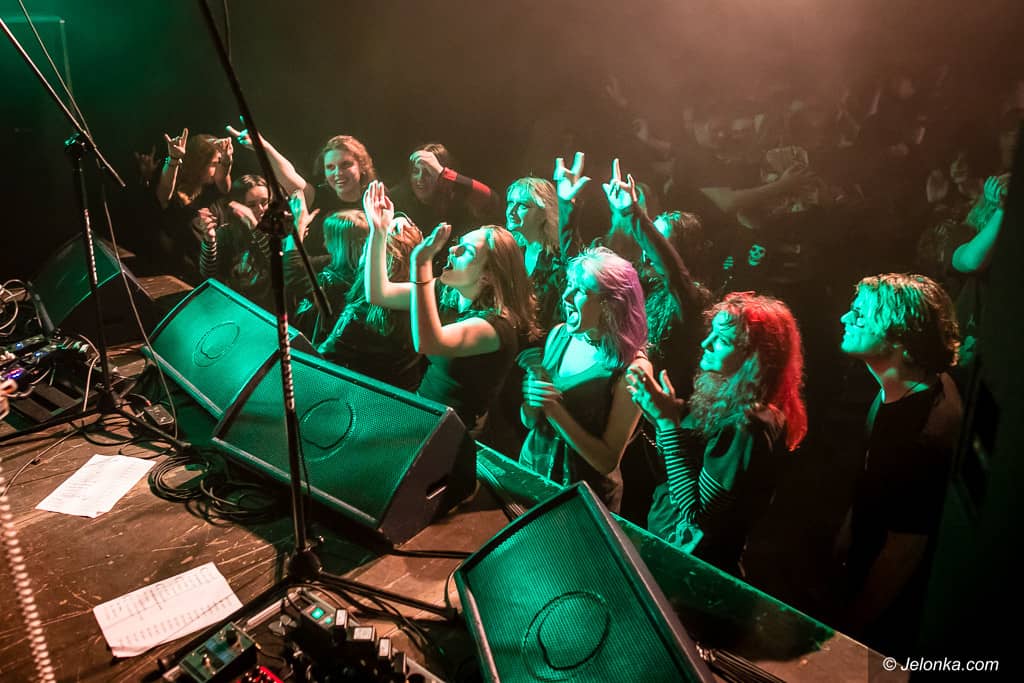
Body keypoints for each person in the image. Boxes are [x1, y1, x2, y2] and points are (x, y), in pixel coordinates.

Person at [627, 291, 808, 576]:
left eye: (722, 340)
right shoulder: (722, 396)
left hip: (691, 569)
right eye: (711, 332)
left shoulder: (746, 424)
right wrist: (661, 417)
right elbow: (680, 470)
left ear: (754, 358)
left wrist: (666, 423)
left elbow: (697, 514)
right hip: (670, 550)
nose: (706, 343)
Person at [833, 273, 962, 659]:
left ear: (901, 341)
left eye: (860, 315)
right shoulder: (906, 385)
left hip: (887, 614)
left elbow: (903, 551)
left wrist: (849, 632)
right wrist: (851, 524)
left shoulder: (921, 435)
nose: (844, 318)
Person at [363, 181, 538, 433]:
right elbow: (379, 293)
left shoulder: (495, 325)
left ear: (487, 275)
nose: (453, 249)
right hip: (424, 412)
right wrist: (378, 230)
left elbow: (429, 343)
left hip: (451, 434)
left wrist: (421, 264)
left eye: (466, 251)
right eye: (458, 243)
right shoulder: (446, 292)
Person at [518, 247, 653, 513]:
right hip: (532, 476)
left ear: (611, 304)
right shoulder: (560, 335)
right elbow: (531, 422)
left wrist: (554, 409)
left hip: (581, 501)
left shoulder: (632, 369)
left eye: (580, 291)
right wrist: (533, 398)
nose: (566, 296)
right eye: (569, 285)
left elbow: (606, 461)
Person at [226, 126, 377, 258]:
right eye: (330, 167)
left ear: (362, 166)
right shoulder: (319, 196)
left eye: (346, 165)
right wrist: (264, 147)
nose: (338, 173)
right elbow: (288, 175)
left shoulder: (376, 198)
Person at [318, 215, 425, 392]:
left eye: (369, 244)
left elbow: (322, 360)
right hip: (404, 397)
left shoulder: (360, 312)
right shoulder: (423, 299)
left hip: (361, 398)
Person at [388, 143, 499, 266]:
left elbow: (492, 201)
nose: (420, 178)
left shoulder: (456, 202)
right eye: (416, 171)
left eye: (428, 172)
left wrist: (443, 172)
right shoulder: (400, 198)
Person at [156, 129, 233, 282]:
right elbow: (164, 191)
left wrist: (226, 158)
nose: (217, 169)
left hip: (215, 277)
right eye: (214, 164)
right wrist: (174, 159)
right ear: (199, 164)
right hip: (183, 279)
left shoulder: (211, 190)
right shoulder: (176, 196)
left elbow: (224, 181)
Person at [196, 174, 272, 308]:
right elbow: (208, 275)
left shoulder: (277, 232)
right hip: (235, 306)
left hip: (268, 309)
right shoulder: (227, 233)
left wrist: (255, 227)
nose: (261, 209)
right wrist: (210, 240)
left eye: (264, 202)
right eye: (252, 205)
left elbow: (281, 268)